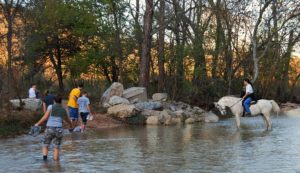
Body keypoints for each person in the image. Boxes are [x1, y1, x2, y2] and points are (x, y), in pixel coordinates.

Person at [34, 95, 72, 161]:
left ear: (54, 101)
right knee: (56, 147)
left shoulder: (50, 107)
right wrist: (71, 125)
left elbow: (45, 117)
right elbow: (67, 119)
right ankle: (56, 165)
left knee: (45, 145)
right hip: (59, 129)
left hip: (50, 128)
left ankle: (45, 161)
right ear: (61, 101)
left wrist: (37, 123)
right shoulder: (63, 109)